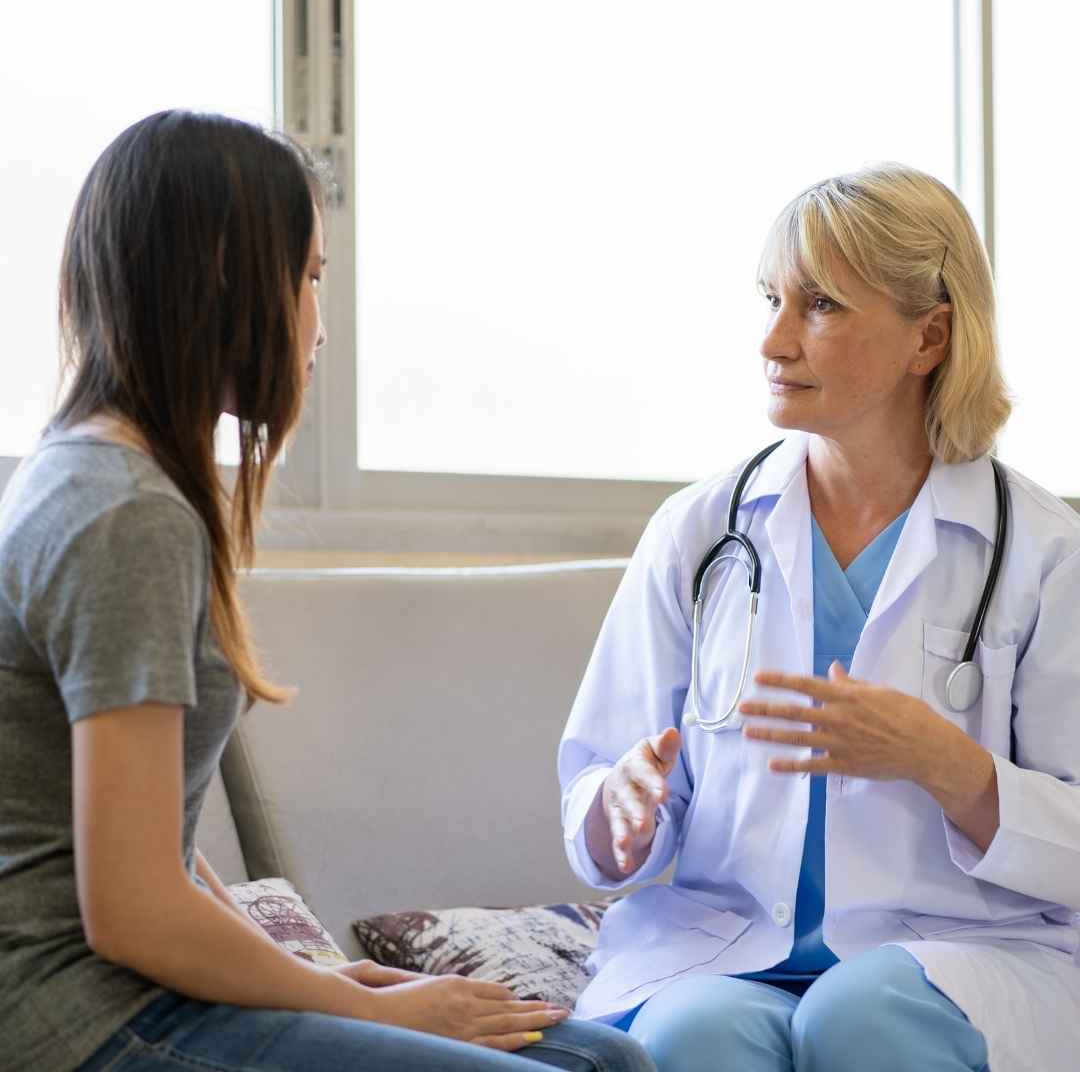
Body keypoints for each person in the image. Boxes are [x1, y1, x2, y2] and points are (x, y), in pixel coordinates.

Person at [0, 110, 655, 1072]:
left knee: (607, 1059)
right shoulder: (123, 512)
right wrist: (377, 1016)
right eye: (308, 278)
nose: (317, 320)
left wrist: (320, 976)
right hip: (80, 1022)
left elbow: (162, 849)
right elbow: (132, 907)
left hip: (126, 993)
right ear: (224, 276)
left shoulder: (102, 478)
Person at [558, 163, 1080, 1072]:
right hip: (723, 947)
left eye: (822, 306)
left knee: (862, 1015)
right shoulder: (701, 531)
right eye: (771, 299)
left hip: (969, 954)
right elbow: (601, 784)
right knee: (694, 1039)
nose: (773, 339)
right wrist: (623, 807)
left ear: (931, 337)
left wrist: (944, 765)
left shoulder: (1044, 552)